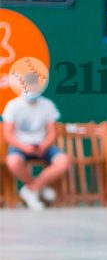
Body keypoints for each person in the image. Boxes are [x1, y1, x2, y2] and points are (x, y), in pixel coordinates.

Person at [2, 72, 69, 210]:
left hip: (43, 146)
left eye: (34, 86)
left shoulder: (48, 105)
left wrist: (44, 146)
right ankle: (38, 189)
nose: (31, 89)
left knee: (63, 161)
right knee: (13, 161)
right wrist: (23, 147)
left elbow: (52, 133)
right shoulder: (12, 105)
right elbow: (8, 134)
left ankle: (31, 189)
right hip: (20, 146)